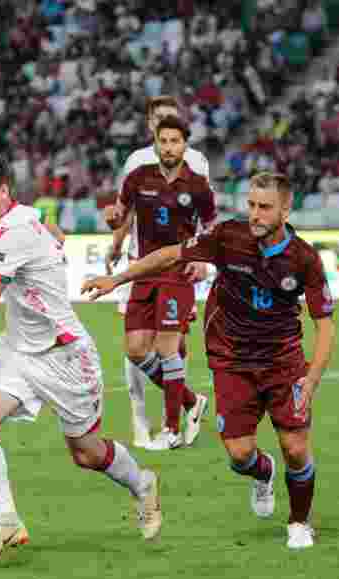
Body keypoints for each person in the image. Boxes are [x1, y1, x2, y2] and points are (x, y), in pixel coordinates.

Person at [0, 151, 162, 562]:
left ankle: (142, 483)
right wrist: (49, 235)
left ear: (3, 192)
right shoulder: (21, 216)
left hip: (65, 357)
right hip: (19, 351)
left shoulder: (8, 233)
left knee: (87, 454)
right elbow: (50, 228)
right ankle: (7, 520)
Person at [83, 172, 336, 549]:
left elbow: (325, 325)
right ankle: (263, 473)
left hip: (282, 361)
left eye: (265, 207)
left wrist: (311, 380)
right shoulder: (228, 236)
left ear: (285, 210)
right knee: (240, 455)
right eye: (251, 205)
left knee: (296, 448)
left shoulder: (304, 259)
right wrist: (117, 280)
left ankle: (299, 523)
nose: (255, 214)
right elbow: (170, 255)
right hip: (231, 359)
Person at [105, 95, 214, 449]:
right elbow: (124, 212)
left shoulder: (197, 171)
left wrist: (203, 259)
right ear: (151, 128)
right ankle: (184, 403)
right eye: (162, 134)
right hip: (140, 265)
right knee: (136, 348)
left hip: (179, 267)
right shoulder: (137, 167)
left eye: (174, 138)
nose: (168, 144)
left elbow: (209, 223)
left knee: (172, 344)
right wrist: (115, 237)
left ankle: (170, 428)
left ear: (183, 139)